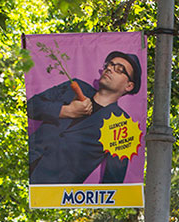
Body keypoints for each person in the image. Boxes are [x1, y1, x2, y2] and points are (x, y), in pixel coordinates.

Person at [27, 50, 141, 184]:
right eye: (109, 65)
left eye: (119, 69)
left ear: (129, 86)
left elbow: (112, 181)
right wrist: (66, 111)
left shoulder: (123, 125)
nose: (110, 68)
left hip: (55, 193)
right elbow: (32, 106)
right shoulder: (75, 86)